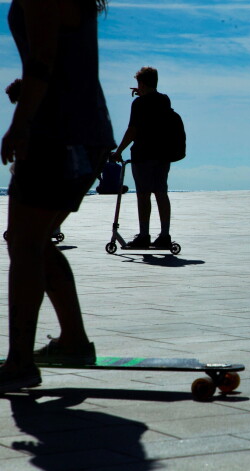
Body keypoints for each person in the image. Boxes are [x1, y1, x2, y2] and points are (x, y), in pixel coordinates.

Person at [0, 0, 116, 392]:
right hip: (82, 131)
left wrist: (20, 123)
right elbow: (59, 59)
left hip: (59, 135)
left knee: (25, 241)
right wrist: (31, 93)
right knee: (29, 240)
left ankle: (20, 362)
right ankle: (73, 342)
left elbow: (43, 60)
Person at [111, 67, 173, 248]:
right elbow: (154, 109)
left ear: (142, 84)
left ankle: (144, 235)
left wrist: (119, 151)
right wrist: (143, 94)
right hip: (163, 155)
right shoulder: (164, 100)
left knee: (143, 195)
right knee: (161, 193)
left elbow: (133, 130)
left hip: (143, 155)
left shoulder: (138, 104)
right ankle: (164, 235)